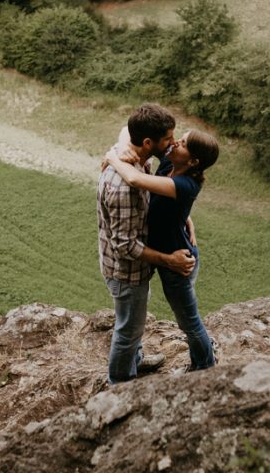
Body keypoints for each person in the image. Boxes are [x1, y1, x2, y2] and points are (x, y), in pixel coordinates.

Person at [105, 127, 219, 372]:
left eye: (184, 142)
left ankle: (205, 367)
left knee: (188, 322)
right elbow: (128, 129)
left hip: (177, 263)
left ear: (193, 161)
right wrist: (124, 147)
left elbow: (135, 179)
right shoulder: (170, 162)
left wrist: (113, 157)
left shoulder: (185, 184)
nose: (176, 142)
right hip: (169, 255)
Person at [97, 104, 195, 385]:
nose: (173, 143)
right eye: (168, 139)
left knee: (135, 321)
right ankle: (121, 382)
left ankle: (135, 359)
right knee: (128, 328)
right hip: (125, 271)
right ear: (149, 143)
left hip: (135, 269)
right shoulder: (124, 188)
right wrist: (170, 259)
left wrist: (117, 148)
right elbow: (125, 246)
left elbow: (125, 131)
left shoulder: (138, 154)